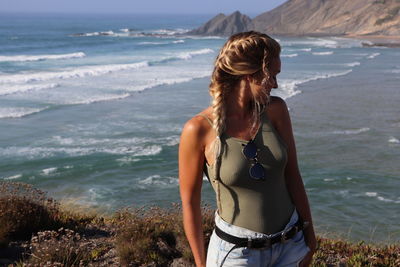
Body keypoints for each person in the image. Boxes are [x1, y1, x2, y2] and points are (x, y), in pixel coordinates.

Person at [179, 31, 316, 267]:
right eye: (270, 76)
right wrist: (201, 264)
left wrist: (309, 240)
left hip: (290, 245)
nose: (276, 84)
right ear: (248, 76)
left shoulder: (276, 110)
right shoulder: (198, 129)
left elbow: (293, 175)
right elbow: (190, 203)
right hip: (236, 254)